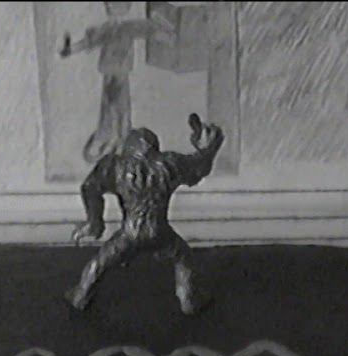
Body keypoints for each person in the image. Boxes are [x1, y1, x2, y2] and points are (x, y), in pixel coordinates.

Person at [65, 113, 224, 315]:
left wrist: (94, 222)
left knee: (99, 263)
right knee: (183, 258)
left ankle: (81, 295)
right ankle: (188, 298)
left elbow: (90, 187)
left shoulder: (115, 166)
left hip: (129, 233)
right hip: (160, 232)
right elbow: (198, 169)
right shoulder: (169, 164)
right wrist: (208, 149)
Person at [59, 1, 175, 164]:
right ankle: (112, 138)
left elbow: (153, 31)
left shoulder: (130, 27)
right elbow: (89, 41)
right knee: (111, 105)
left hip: (120, 72)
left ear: (127, 7)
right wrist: (70, 49)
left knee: (118, 105)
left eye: (119, 5)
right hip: (109, 72)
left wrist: (167, 34)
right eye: (112, 5)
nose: (114, 8)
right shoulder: (106, 29)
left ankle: (119, 139)